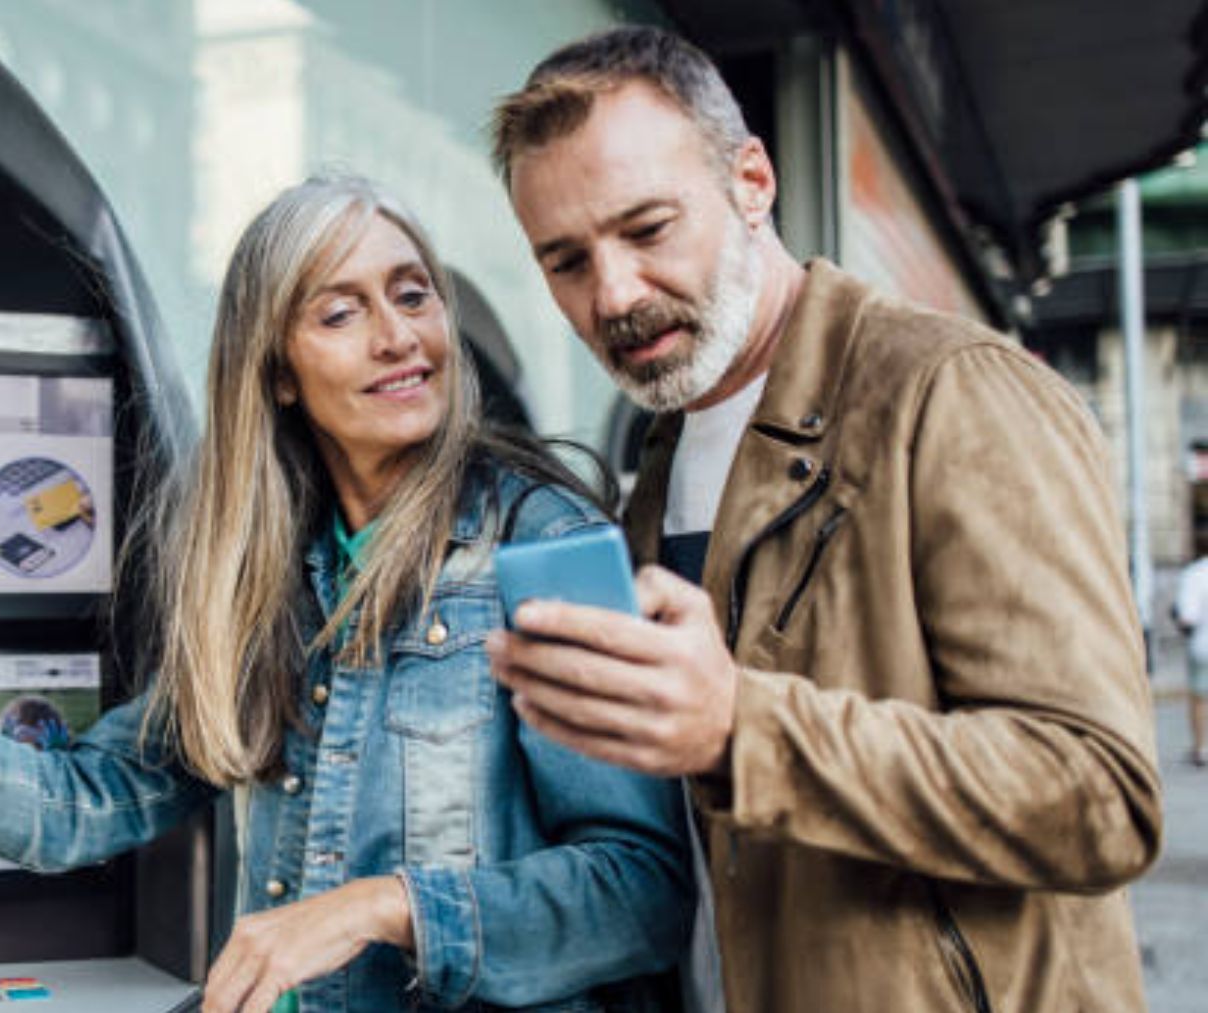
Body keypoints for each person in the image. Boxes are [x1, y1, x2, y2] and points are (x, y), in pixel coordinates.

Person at [0, 176, 692, 1013]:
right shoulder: (267, 581)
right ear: (281, 373)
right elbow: (79, 804)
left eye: (413, 294)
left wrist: (382, 905)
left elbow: (640, 892)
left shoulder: (543, 543)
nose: (399, 337)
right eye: (341, 312)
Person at [482, 26, 1162, 1013]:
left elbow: (1100, 795)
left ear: (752, 182)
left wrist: (740, 726)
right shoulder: (656, 472)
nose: (613, 293)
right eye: (566, 260)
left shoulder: (953, 394)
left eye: (647, 228)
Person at [1173, 546, 1208, 766]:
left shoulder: (1196, 574)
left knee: (1200, 698)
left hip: (1203, 646)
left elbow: (1188, 617)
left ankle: (1201, 747)